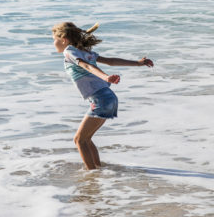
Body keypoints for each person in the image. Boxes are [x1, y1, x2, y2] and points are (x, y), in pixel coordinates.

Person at [51, 22, 154, 170]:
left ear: (64, 39)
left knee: (79, 140)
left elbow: (87, 66)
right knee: (86, 139)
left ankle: (92, 175)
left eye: (54, 38)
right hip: (109, 98)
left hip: (100, 99)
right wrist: (138, 63)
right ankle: (97, 170)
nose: (53, 42)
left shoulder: (70, 52)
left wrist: (105, 77)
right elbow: (111, 61)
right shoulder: (85, 51)